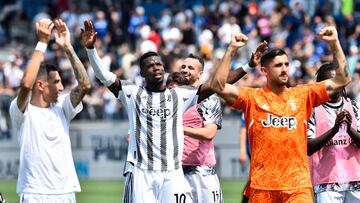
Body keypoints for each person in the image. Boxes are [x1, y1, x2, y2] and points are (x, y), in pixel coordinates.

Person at [210, 26, 351, 202]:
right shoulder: (251, 98)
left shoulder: (303, 94)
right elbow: (217, 86)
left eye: (286, 64)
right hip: (262, 187)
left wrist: (335, 43)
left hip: (297, 186)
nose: (284, 69)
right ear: (264, 71)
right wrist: (231, 50)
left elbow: (343, 79)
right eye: (278, 65)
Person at [81, 19, 211, 203]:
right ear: (142, 72)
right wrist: (91, 50)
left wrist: (247, 66)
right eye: (150, 65)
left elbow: (215, 86)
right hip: (142, 172)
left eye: (158, 64)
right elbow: (104, 77)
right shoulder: (132, 94)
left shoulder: (179, 95)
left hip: (172, 172)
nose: (156, 67)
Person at [9, 19, 91, 203]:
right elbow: (26, 84)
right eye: (57, 82)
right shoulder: (21, 110)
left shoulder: (63, 106)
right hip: (34, 193)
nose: (62, 87)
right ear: (41, 85)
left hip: (66, 193)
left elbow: (85, 84)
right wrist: (42, 43)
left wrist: (68, 46)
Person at [180, 43, 265, 203]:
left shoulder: (208, 98)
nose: (185, 69)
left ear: (200, 74)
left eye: (191, 68)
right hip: (177, 173)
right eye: (183, 66)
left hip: (203, 174)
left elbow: (209, 133)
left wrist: (248, 66)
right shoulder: (172, 97)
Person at [307, 62, 360, 203]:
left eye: (335, 80)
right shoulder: (312, 110)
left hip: (355, 181)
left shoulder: (354, 106)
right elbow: (308, 147)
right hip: (326, 184)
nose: (331, 85)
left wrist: (349, 130)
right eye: (326, 82)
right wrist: (335, 129)